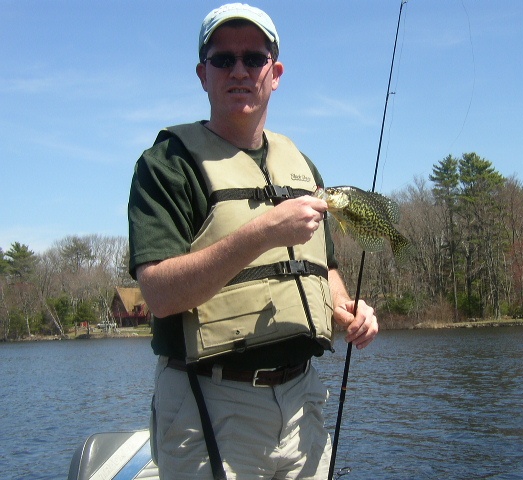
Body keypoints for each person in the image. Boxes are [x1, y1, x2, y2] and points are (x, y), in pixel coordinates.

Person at [127, 3, 378, 479]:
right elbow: (158, 294)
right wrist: (262, 233)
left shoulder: (301, 164)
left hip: (304, 402)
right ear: (203, 74)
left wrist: (349, 311)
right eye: (223, 59)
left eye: (254, 58)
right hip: (210, 405)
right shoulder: (167, 165)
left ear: (275, 72)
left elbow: (324, 269)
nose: (239, 70)